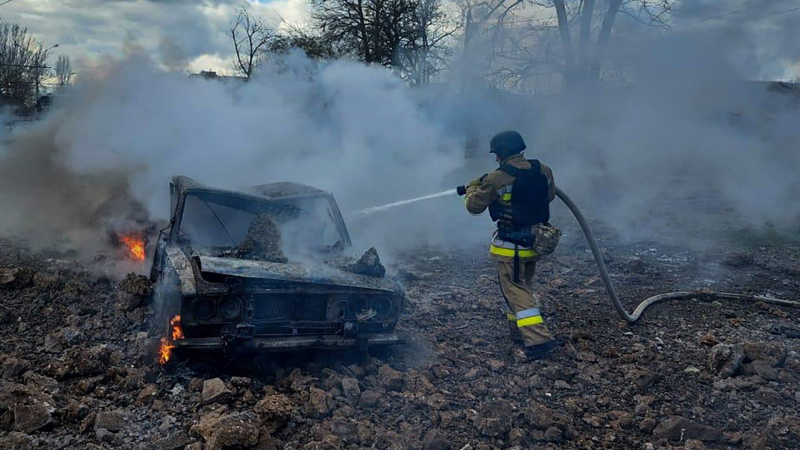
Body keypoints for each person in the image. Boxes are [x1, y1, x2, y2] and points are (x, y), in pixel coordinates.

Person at [458, 130, 558, 360]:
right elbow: (550, 196)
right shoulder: (542, 169)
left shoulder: (497, 178)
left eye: (496, 154)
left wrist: (472, 189)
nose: (495, 158)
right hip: (536, 241)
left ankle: (539, 341)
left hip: (511, 247)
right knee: (523, 287)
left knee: (515, 290)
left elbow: (474, 207)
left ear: (502, 153)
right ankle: (519, 333)